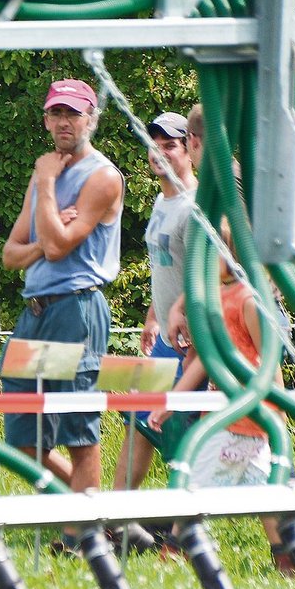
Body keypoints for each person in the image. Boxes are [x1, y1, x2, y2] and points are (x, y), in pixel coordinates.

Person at [0, 78, 124, 548]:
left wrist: (48, 186)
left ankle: (79, 537)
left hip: (77, 308)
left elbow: (57, 247)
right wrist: (45, 232)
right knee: (23, 432)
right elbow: (11, 254)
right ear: (46, 119)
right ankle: (93, 509)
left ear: (91, 118)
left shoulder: (102, 176)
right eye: (56, 113)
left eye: (73, 113)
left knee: (78, 427)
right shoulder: (43, 173)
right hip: (35, 313)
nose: (64, 122)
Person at [149, 219, 293, 574]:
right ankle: (180, 552)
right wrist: (173, 402)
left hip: (254, 416)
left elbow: (270, 362)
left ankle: (287, 560)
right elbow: (202, 361)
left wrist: (280, 414)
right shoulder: (212, 299)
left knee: (260, 494)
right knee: (197, 483)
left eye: (210, 253)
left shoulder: (249, 301)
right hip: (221, 415)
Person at [109, 112, 197, 550]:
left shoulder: (195, 205)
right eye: (154, 143)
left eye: (170, 145)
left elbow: (206, 278)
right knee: (139, 421)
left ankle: (183, 536)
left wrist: (197, 338)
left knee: (178, 431)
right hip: (164, 337)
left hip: (192, 343)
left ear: (188, 150)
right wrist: (152, 315)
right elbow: (166, 270)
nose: (159, 152)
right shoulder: (163, 203)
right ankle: (115, 518)